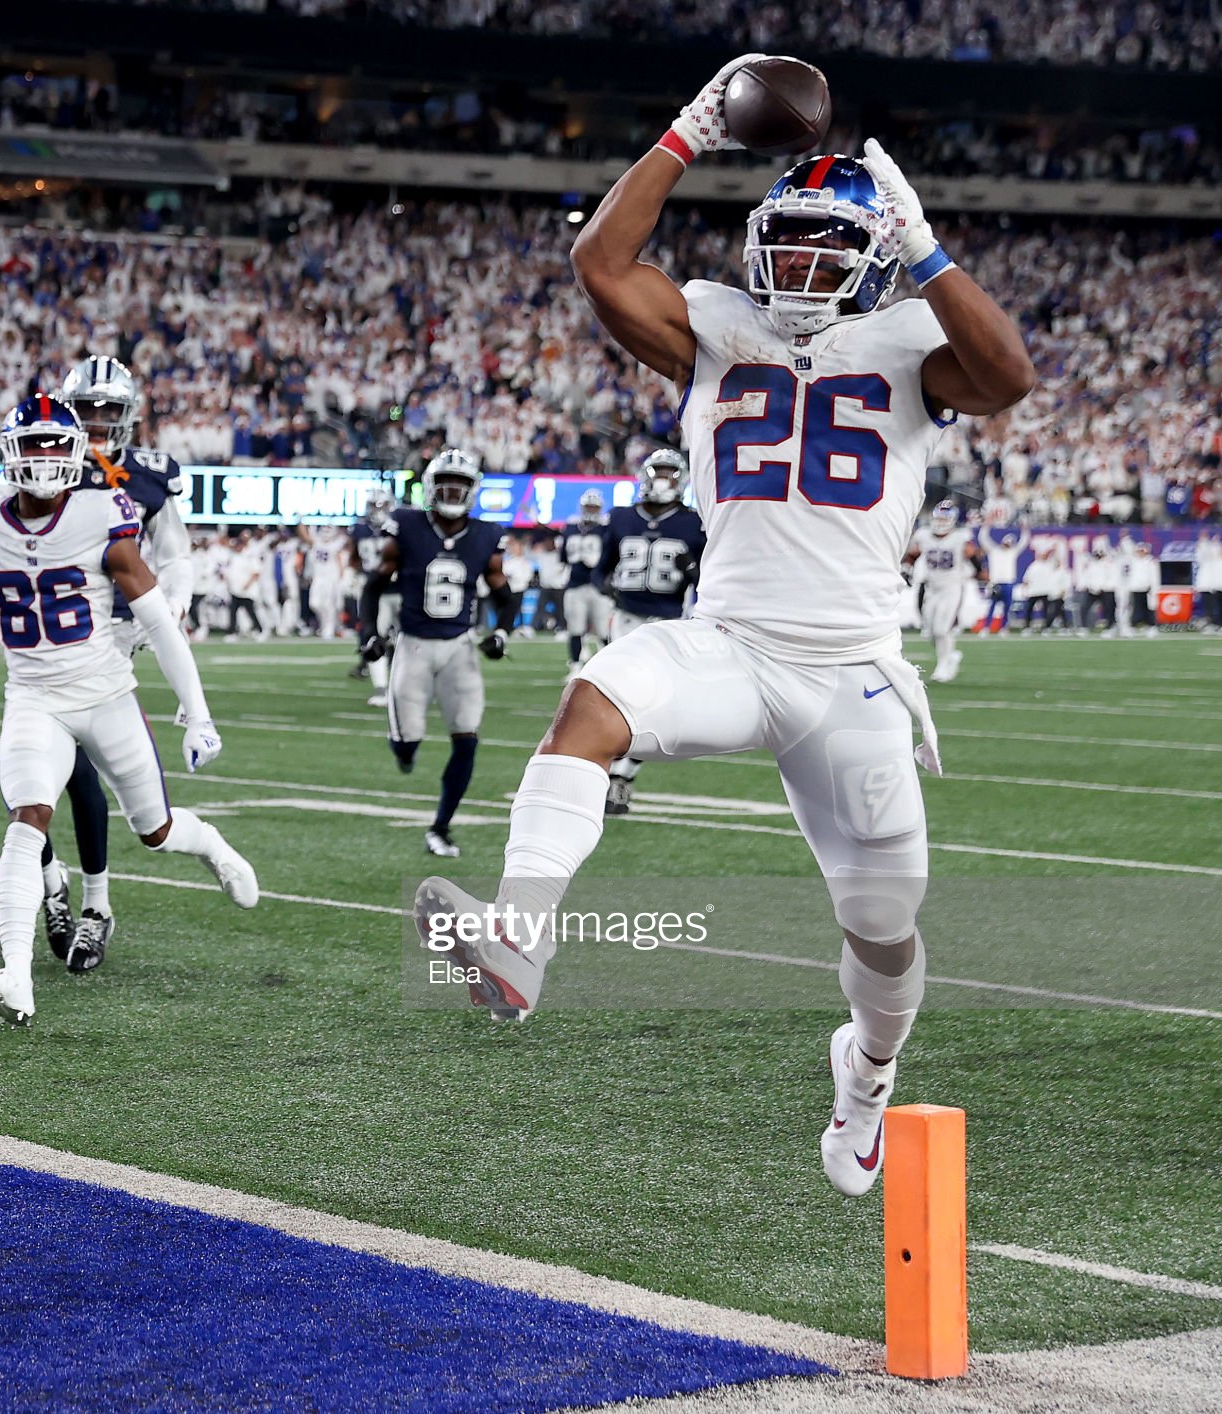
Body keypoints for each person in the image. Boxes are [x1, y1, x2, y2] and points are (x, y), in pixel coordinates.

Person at [420, 59, 1033, 1199]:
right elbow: (598, 261)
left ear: (871, 252)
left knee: (880, 923)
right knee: (588, 705)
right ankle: (518, 934)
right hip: (730, 642)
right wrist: (689, 130)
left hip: (852, 676)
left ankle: (866, 1076)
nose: (798, 261)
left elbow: (1005, 375)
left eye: (826, 243)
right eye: (784, 237)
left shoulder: (909, 335)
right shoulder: (714, 322)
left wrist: (926, 244)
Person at [0, 395, 256, 1026]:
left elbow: (159, 621)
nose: (43, 457)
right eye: (32, 443)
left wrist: (197, 713)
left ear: (75, 454)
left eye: (53, 444)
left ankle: (213, 847)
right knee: (28, 817)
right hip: (33, 699)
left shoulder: (103, 512)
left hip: (107, 694)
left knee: (157, 832)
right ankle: (15, 974)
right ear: (9, 453)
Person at [33, 355, 199, 969]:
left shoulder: (149, 474)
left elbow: (175, 553)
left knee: (77, 769)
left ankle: (94, 905)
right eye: (89, 410)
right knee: (29, 772)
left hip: (115, 634)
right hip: (50, 632)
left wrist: (173, 604)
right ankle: (57, 884)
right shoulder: (45, 461)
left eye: (110, 410)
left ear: (128, 414)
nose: (100, 421)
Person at [359, 447, 516, 858]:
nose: (451, 490)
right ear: (430, 486)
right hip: (412, 646)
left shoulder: (485, 534)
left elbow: (503, 593)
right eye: (444, 482)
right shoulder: (408, 525)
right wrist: (368, 635)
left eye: (460, 484)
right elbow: (374, 586)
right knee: (407, 742)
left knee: (466, 740)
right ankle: (405, 752)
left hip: (459, 648)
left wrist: (501, 632)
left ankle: (441, 828)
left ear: (473, 489)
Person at [595, 449, 705, 814]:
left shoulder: (693, 523)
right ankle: (609, 774)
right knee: (617, 700)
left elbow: (709, 580)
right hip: (624, 619)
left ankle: (622, 776)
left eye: (670, 474)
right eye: (657, 472)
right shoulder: (622, 517)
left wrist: (691, 569)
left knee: (654, 704)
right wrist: (607, 587)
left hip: (668, 623)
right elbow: (601, 568)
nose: (662, 480)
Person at [904, 499, 980, 682]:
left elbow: (974, 555)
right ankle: (950, 655)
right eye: (939, 518)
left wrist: (983, 575)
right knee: (929, 632)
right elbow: (912, 555)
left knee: (941, 629)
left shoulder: (960, 537)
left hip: (952, 588)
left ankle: (944, 666)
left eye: (945, 518)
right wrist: (906, 571)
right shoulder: (924, 535)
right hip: (932, 589)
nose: (941, 522)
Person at [346, 489, 398, 704]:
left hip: (401, 588)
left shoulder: (398, 526)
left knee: (414, 639)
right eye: (374, 506)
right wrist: (356, 575)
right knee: (372, 636)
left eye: (381, 506)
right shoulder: (360, 529)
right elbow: (354, 557)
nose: (377, 511)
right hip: (375, 590)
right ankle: (381, 689)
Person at [560, 488, 609, 670]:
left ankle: (607, 668)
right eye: (588, 506)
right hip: (575, 585)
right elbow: (564, 557)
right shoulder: (571, 528)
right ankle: (575, 667)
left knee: (604, 630)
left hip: (599, 586)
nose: (591, 510)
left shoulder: (605, 530)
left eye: (594, 507)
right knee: (575, 628)